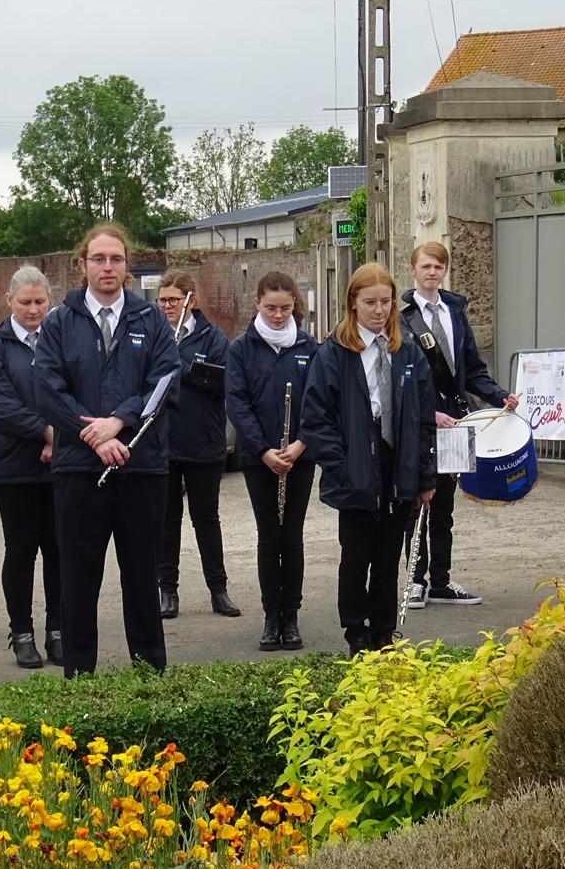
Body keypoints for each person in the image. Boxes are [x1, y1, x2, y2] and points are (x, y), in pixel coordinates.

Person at [34, 224, 180, 678]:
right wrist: (94, 436)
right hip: (79, 471)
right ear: (83, 265)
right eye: (98, 259)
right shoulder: (59, 321)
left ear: (127, 265)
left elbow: (166, 380)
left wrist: (118, 422)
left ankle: (149, 676)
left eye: (116, 259)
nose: (108, 267)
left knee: (141, 578)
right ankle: (79, 678)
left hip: (141, 468)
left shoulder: (150, 319)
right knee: (78, 581)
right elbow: (48, 390)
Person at [301, 262, 436, 657]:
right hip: (356, 462)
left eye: (386, 302)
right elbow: (315, 419)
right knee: (356, 556)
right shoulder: (334, 353)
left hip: (397, 463)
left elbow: (423, 419)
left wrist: (425, 476)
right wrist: (341, 465)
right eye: (370, 302)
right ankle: (356, 631)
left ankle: (383, 630)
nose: (379, 310)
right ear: (353, 303)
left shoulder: (407, 351)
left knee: (388, 554)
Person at [397, 241, 518, 610]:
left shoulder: (455, 313)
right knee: (418, 501)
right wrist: (425, 412)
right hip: (419, 423)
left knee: (445, 506)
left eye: (439, 267)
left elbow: (472, 369)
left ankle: (442, 581)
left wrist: (500, 396)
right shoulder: (401, 318)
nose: (433, 272)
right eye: (426, 266)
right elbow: (398, 377)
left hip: (456, 422)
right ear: (412, 270)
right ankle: (415, 581)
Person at [0, 266, 64, 669]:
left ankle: (59, 631)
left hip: (62, 463)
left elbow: (75, 390)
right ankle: (22, 633)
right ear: (8, 301)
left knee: (59, 551)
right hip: (13, 467)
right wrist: (45, 432)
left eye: (40, 302)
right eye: (25, 302)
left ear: (50, 300)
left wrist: (59, 436)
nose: (33, 310)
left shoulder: (62, 340)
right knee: (22, 550)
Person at [225, 270, 318, 651]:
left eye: (285, 308)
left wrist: (298, 445)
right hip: (257, 456)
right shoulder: (241, 349)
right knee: (269, 535)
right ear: (257, 305)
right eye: (270, 308)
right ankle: (270, 616)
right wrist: (264, 450)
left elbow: (319, 403)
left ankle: (291, 616)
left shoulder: (309, 348)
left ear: (295, 304)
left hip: (300, 455)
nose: (279, 316)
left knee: (291, 536)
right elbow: (237, 402)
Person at [154, 271, 241, 622]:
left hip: (203, 441)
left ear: (191, 300)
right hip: (164, 442)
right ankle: (167, 590)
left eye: (173, 300)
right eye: (162, 300)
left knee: (206, 518)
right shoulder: (154, 335)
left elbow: (220, 381)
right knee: (167, 519)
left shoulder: (213, 336)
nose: (167, 307)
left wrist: (182, 364)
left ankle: (218, 590)